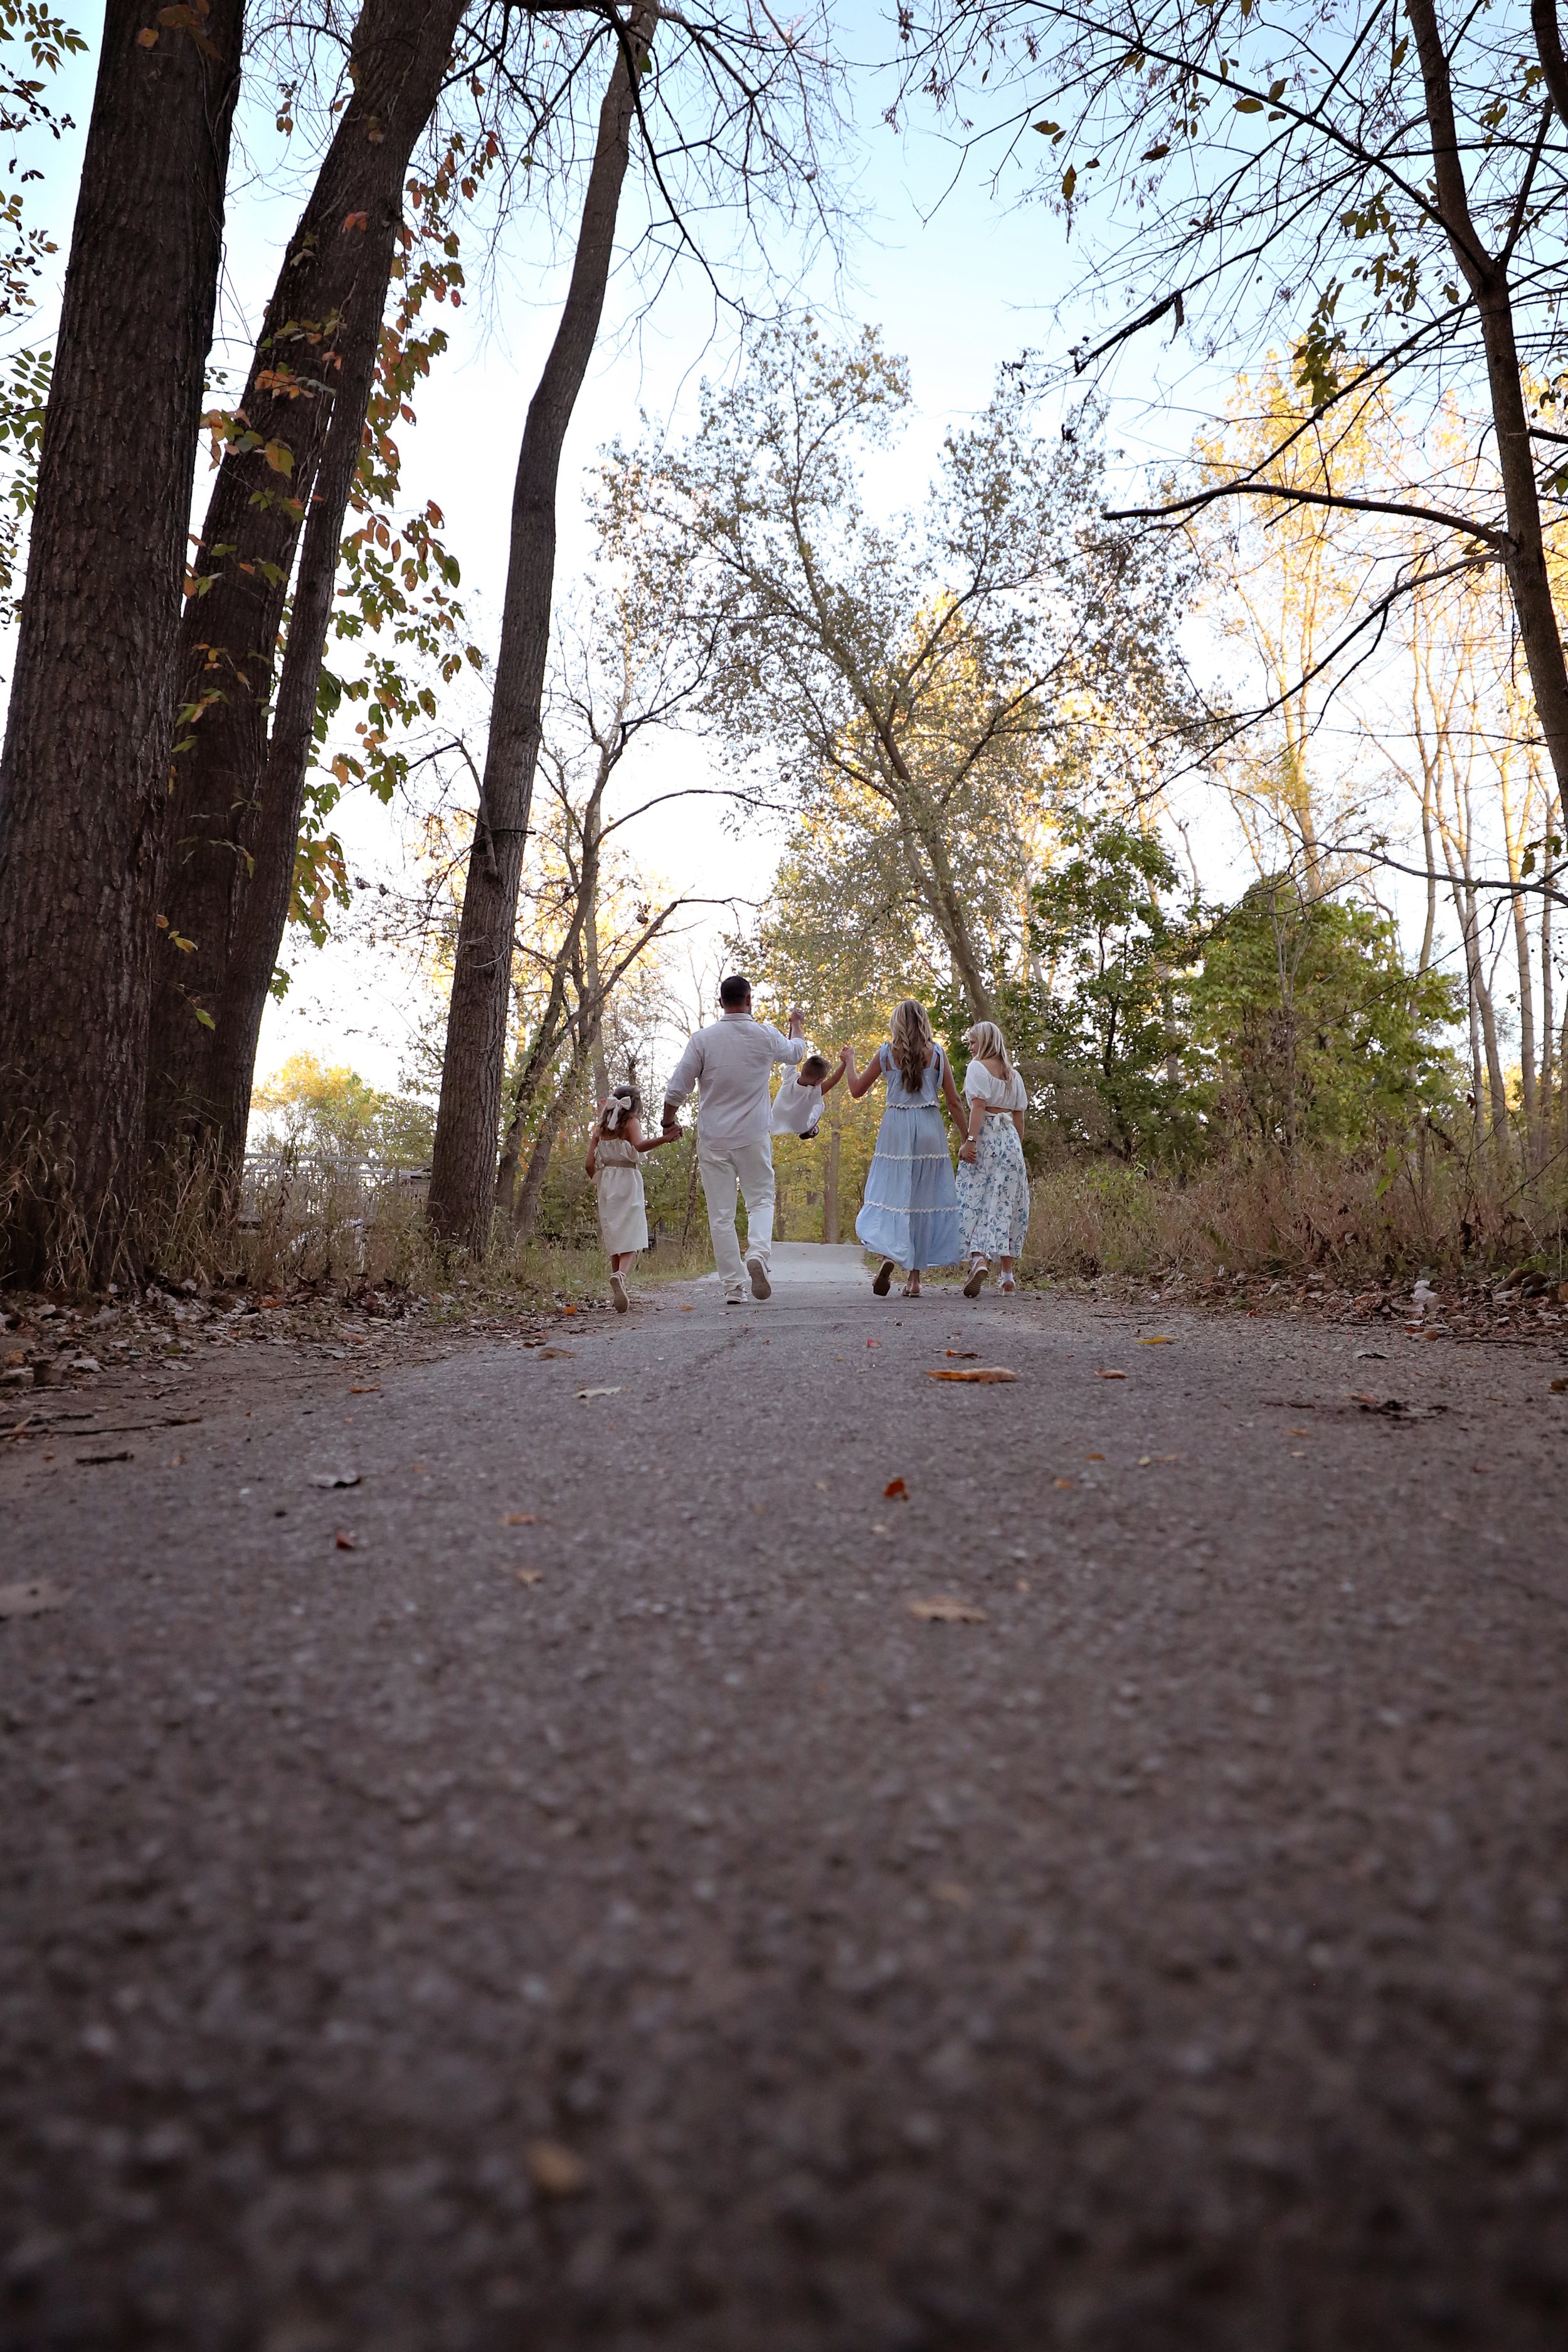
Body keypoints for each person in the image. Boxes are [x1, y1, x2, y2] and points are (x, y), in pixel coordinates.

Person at [662, 975, 806, 1304]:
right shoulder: (766, 1036)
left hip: (714, 1139)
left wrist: (668, 1122)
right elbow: (797, 1053)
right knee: (761, 1202)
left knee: (721, 1215)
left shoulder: (702, 1040)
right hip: (754, 1135)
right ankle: (758, 1255)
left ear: (720, 1001)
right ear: (749, 999)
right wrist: (795, 1023)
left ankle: (733, 1288)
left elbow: (676, 1088)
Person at [844, 999, 965, 1298]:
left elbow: (857, 1090)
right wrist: (968, 1138)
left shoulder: (887, 1053)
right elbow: (953, 1102)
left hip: (896, 1128)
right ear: (924, 1021)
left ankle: (890, 1255)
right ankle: (914, 1281)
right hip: (928, 1127)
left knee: (892, 1194)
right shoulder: (937, 1054)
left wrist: (849, 1062)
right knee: (923, 1199)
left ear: (896, 1022)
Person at [585, 1085, 681, 1314]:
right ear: (636, 1104)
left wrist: (598, 1182)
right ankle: (620, 1276)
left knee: (615, 1233)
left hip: (606, 1182)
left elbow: (589, 1164)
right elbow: (639, 1146)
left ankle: (619, 1286)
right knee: (633, 1233)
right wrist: (665, 1139)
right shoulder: (631, 1123)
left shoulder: (600, 1130)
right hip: (628, 1179)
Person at [955, 1020, 1030, 1296]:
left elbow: (978, 1106)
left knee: (975, 1198)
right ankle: (1008, 1277)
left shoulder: (977, 1068)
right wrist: (1015, 1150)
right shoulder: (1014, 1076)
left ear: (985, 1041)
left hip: (986, 1135)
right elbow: (1019, 1117)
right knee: (1006, 1205)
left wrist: (970, 1141)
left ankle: (978, 1260)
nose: (970, 1047)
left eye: (973, 1042)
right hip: (1010, 1141)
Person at [770, 1044, 849, 1141]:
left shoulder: (790, 1076)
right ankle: (811, 1130)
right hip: (800, 1127)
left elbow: (792, 1053)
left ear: (803, 1069)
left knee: (816, 1101)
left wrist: (793, 1031)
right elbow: (834, 1079)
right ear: (818, 1081)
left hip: (775, 1119)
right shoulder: (813, 1093)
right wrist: (845, 1062)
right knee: (820, 1106)